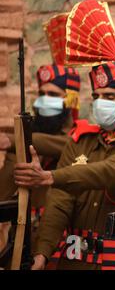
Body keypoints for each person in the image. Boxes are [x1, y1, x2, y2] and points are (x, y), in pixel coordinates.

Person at [13, 0, 115, 270]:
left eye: (109, 96)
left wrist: (51, 176)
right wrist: (42, 253)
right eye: (96, 96)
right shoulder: (81, 139)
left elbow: (111, 170)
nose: (100, 102)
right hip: (72, 261)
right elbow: (61, 200)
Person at [0, 13, 81, 254]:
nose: (45, 100)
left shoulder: (80, 137)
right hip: (24, 242)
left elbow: (60, 145)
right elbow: (4, 190)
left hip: (64, 244)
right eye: (42, 93)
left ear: (71, 100)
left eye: (53, 95)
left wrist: (12, 140)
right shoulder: (26, 141)